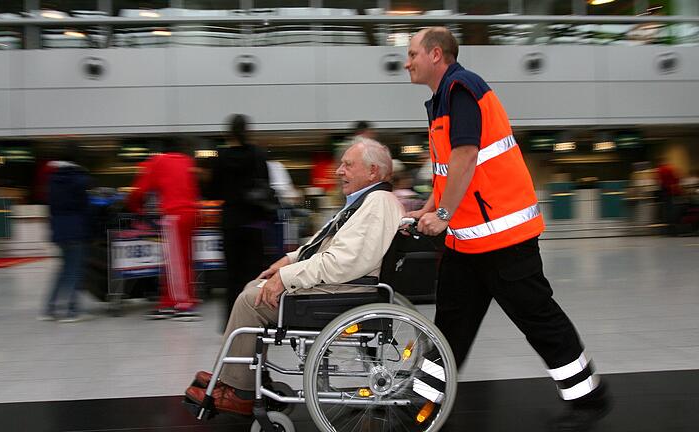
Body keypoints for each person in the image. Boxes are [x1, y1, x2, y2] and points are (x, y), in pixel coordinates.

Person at [404, 27, 609, 428]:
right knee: (450, 328)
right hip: (469, 245)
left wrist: (441, 216)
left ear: (435, 54)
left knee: (539, 320)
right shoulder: (441, 98)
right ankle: (417, 406)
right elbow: (448, 172)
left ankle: (589, 400)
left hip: (504, 241)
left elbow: (466, 155)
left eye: (411, 54)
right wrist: (426, 208)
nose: (406, 62)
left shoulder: (462, 87)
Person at [185, 138, 404, 416]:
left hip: (346, 290)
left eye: (348, 165)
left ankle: (238, 390)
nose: (339, 171)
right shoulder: (368, 201)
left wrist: (287, 278)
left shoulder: (377, 204)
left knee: (251, 299)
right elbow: (324, 244)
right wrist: (288, 261)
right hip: (343, 285)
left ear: (373, 171)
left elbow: (341, 263)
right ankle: (244, 377)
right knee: (255, 286)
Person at [207, 114, 276, 325]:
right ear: (248, 130)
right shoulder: (258, 155)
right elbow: (267, 184)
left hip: (231, 223)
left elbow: (213, 190)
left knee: (232, 276)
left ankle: (232, 322)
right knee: (255, 275)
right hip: (254, 223)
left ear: (228, 133)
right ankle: (255, 320)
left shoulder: (221, 157)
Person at [128, 137, 200, 320]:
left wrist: (135, 207)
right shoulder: (187, 161)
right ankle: (168, 301)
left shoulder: (158, 161)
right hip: (191, 212)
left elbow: (139, 190)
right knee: (179, 260)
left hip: (174, 214)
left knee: (176, 261)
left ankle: (183, 304)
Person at [42, 146, 90, 321]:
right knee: (75, 271)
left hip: (58, 231)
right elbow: (85, 207)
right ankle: (71, 310)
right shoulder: (78, 179)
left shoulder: (53, 180)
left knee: (63, 270)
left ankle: (50, 308)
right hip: (76, 230)